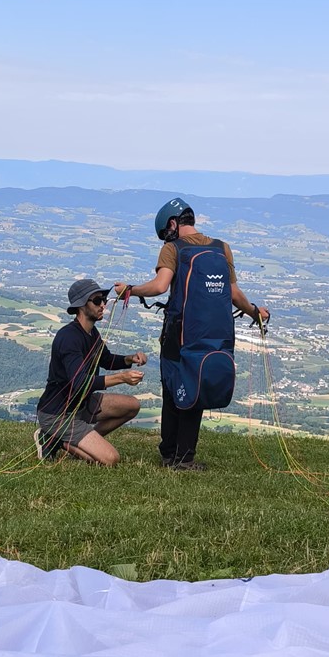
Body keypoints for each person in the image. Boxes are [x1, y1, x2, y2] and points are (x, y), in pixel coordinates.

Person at [114, 198, 269, 471]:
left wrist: (131, 289)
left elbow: (161, 286)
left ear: (172, 224)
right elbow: (234, 294)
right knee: (195, 387)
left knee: (173, 389)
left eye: (165, 233)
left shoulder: (172, 249)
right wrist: (255, 312)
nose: (165, 238)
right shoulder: (222, 249)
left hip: (178, 334)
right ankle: (183, 456)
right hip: (214, 336)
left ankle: (172, 455)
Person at [35, 277, 147, 466]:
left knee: (132, 405)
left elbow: (107, 359)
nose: (103, 305)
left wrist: (130, 359)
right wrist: (122, 378)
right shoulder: (69, 338)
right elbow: (79, 382)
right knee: (110, 460)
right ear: (81, 306)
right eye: (97, 301)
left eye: (103, 299)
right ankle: (52, 438)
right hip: (59, 414)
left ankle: (82, 439)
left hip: (81, 405)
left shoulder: (91, 333)